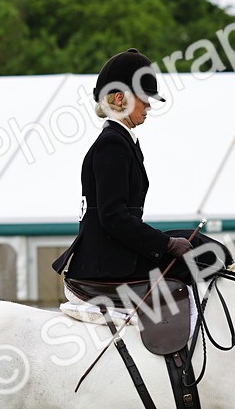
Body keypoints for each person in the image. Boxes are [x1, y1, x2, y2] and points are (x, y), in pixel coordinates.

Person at [52, 48, 191, 285]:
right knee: (202, 257)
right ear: (119, 99)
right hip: (109, 262)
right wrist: (165, 243)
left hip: (116, 253)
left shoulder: (123, 140)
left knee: (195, 243)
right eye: (144, 98)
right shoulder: (113, 143)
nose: (149, 106)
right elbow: (114, 217)